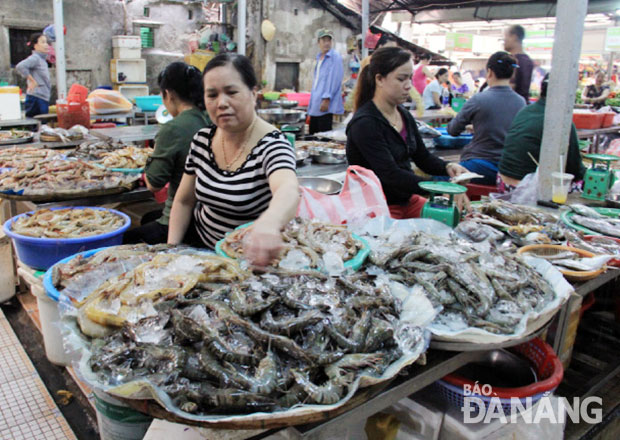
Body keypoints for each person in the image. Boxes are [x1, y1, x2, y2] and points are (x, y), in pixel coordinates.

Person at [168, 54, 299, 266]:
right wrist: (172, 250)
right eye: (212, 95)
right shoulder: (202, 140)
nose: (221, 103)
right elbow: (184, 201)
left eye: (231, 92)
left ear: (253, 93)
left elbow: (288, 189)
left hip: (248, 262)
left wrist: (270, 222)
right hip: (201, 252)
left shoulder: (273, 144)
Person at [346, 47, 469, 219]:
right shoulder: (365, 123)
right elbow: (390, 175)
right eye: (401, 79)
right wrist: (442, 187)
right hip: (376, 207)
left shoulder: (403, 115)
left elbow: (423, 157)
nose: (408, 85)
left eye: (410, 78)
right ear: (380, 79)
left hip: (406, 201)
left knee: (455, 220)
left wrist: (447, 167)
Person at [123, 62, 211, 245]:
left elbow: (154, 184)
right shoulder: (209, 118)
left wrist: (150, 159)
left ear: (168, 95)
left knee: (127, 237)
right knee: (148, 217)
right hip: (207, 213)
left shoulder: (173, 128)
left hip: (187, 218)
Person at [445, 51, 526, 186]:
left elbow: (452, 130)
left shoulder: (479, 99)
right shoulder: (521, 102)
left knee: (439, 174)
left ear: (489, 72)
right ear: (512, 73)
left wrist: (472, 126)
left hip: (478, 167)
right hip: (509, 170)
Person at [499, 73, 586, 189]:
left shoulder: (526, 111)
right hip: (527, 189)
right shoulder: (562, 122)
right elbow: (575, 169)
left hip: (502, 182)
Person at [308, 29, 344, 134]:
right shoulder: (319, 57)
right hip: (315, 102)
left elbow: (335, 79)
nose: (327, 43)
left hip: (325, 103)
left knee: (323, 135)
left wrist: (327, 98)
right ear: (318, 42)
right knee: (312, 134)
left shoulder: (335, 57)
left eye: (329, 40)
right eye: (324, 40)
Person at [15, 33, 51, 117]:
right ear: (35, 46)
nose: (46, 45)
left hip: (43, 97)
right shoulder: (35, 58)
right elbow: (20, 66)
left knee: (42, 125)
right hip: (36, 97)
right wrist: (32, 80)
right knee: (36, 124)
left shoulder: (42, 60)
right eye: (42, 42)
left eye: (46, 42)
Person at [504, 25, 534, 104]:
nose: (504, 41)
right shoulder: (527, 60)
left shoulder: (516, 61)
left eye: (506, 36)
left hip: (511, 108)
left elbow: (511, 88)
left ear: (514, 37)